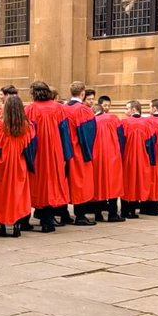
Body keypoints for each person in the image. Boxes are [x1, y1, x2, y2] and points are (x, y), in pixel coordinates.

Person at [24, 81, 71, 232]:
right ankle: (48, 220)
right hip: (55, 152)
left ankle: (41, 216)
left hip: (37, 153)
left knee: (39, 183)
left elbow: (27, 134)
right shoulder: (59, 108)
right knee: (52, 183)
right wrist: (67, 154)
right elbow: (65, 132)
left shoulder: (30, 109)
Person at [0, 93, 36, 237]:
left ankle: (2, 225)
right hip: (19, 164)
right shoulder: (27, 126)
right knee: (18, 195)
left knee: (1, 195)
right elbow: (30, 147)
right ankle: (17, 225)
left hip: (2, 163)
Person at [63, 82, 99, 226]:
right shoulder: (83, 110)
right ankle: (80, 216)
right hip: (79, 151)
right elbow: (89, 134)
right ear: (82, 94)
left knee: (66, 183)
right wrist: (88, 152)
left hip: (65, 150)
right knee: (81, 183)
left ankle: (64, 214)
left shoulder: (63, 108)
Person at [120, 100, 156, 220]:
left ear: (134, 110)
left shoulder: (124, 122)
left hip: (127, 157)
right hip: (142, 157)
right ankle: (133, 209)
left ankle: (125, 210)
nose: (125, 111)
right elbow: (150, 143)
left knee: (127, 182)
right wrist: (151, 159)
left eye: (127, 109)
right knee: (138, 181)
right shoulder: (147, 123)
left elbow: (120, 142)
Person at [92, 95, 126, 223]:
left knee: (98, 184)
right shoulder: (114, 118)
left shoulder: (92, 120)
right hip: (113, 155)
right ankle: (113, 214)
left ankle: (98, 214)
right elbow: (120, 137)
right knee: (114, 184)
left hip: (97, 156)